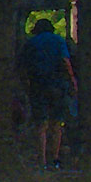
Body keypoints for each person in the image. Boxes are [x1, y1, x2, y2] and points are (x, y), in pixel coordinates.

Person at [20, 18, 77, 168]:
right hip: (57, 85)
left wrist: (26, 85)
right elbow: (65, 61)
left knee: (41, 124)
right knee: (57, 123)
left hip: (38, 86)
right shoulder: (58, 41)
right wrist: (73, 82)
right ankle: (55, 158)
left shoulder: (31, 43)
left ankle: (42, 160)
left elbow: (24, 67)